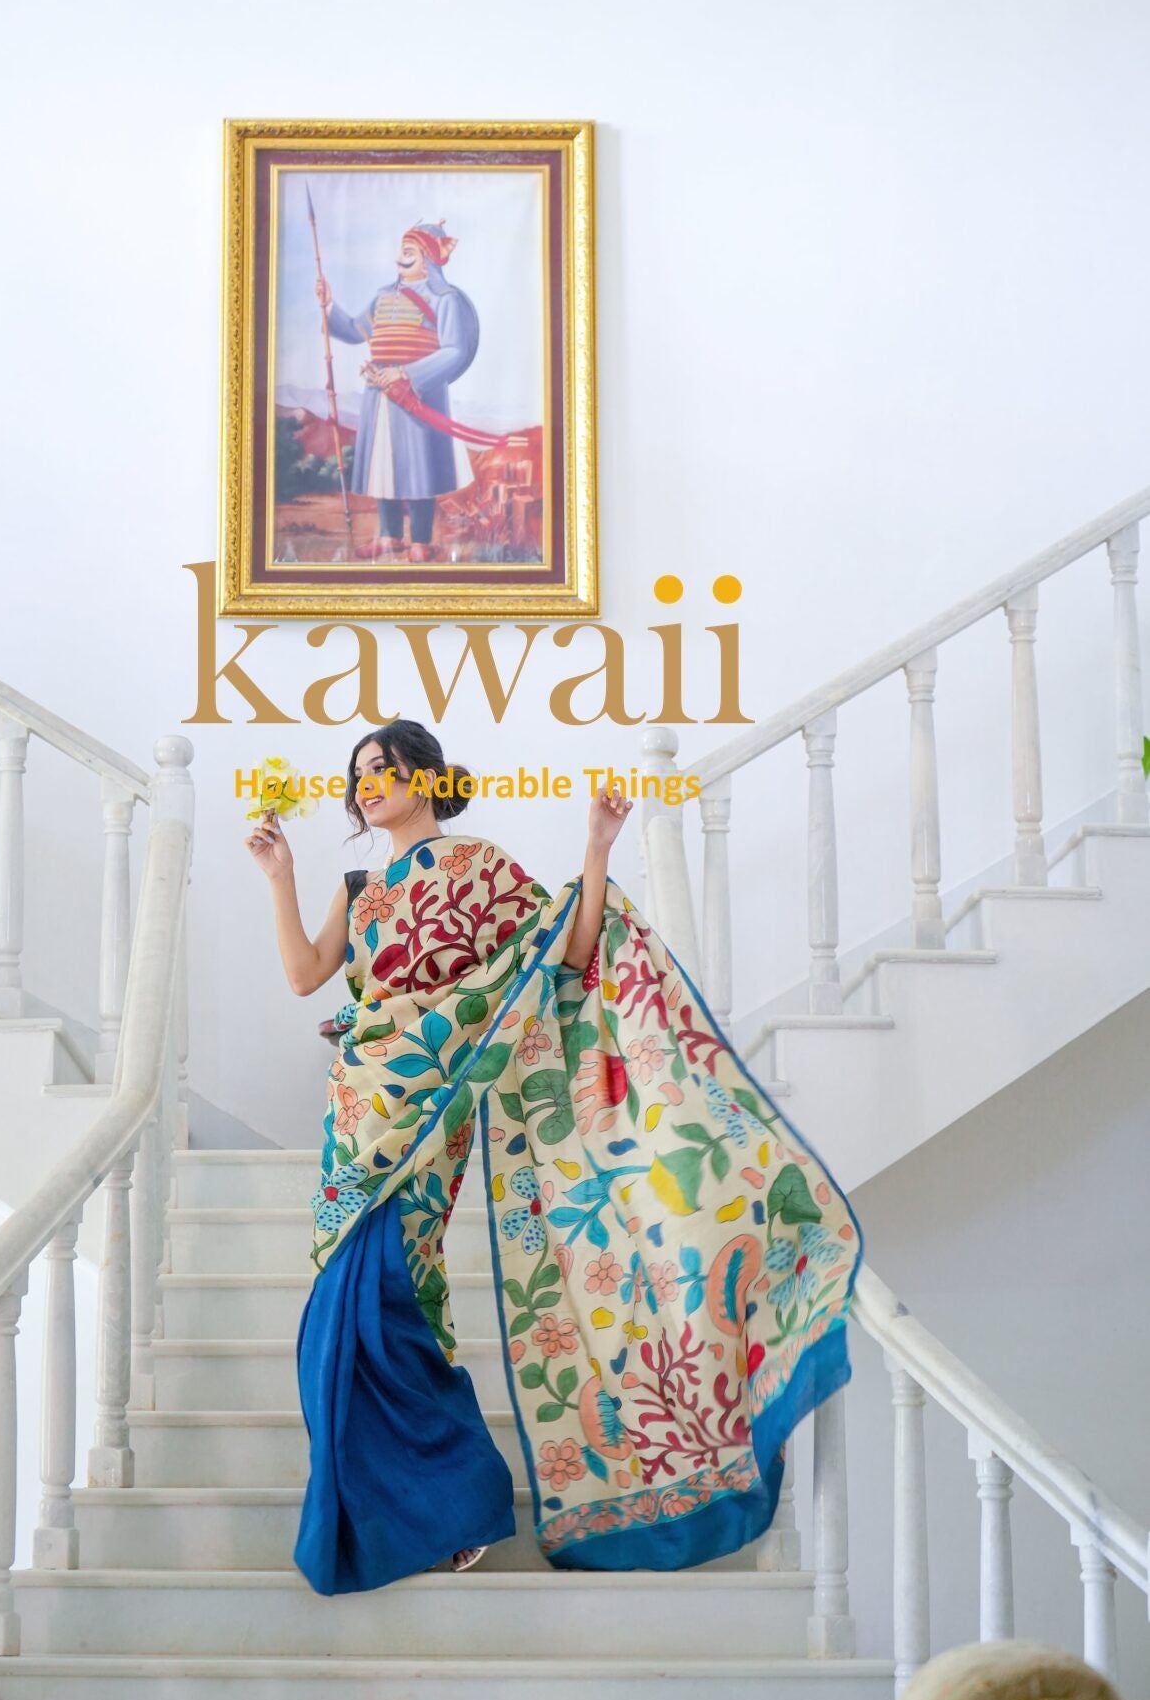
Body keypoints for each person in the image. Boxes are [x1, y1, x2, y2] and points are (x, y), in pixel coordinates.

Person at [245, 720, 861, 1596]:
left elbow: (566, 949)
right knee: (335, 1315)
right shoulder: (360, 886)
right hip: (357, 1102)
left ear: (426, 777)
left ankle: (453, 1502)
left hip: (435, 1101)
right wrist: (281, 876)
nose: (367, 786)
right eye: (358, 778)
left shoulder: (479, 867)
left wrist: (597, 846)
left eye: (383, 769)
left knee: (393, 1291)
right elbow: (308, 974)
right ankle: (399, 1508)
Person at [316, 221, 478, 562]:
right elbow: (354, 330)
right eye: (400, 252)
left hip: (418, 392)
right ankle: (388, 537)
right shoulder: (383, 296)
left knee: (421, 467)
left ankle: (420, 540)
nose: (399, 259)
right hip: (380, 393)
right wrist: (330, 305)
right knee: (383, 464)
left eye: (409, 252)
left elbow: (455, 351)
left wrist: (406, 373)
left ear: (428, 258)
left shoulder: (445, 300)